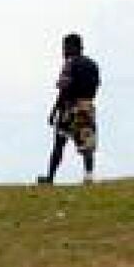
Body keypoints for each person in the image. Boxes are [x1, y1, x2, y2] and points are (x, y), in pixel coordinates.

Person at [40, 33, 100, 185]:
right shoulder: (93, 65)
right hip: (87, 106)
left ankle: (50, 177)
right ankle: (89, 176)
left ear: (73, 47)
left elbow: (64, 89)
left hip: (70, 108)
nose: (63, 51)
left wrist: (54, 111)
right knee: (87, 143)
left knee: (59, 143)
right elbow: (96, 86)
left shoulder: (69, 64)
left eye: (65, 47)